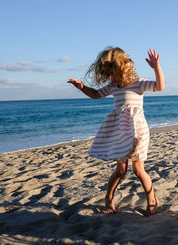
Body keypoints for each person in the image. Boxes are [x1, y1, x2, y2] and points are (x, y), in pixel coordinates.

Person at [67, 47, 165, 216]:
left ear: (122, 69)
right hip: (121, 132)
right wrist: (82, 87)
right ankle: (109, 198)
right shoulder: (113, 86)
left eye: (110, 73)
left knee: (138, 169)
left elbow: (159, 87)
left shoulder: (138, 83)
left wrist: (156, 67)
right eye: (106, 75)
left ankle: (151, 200)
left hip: (138, 132)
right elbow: (96, 94)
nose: (109, 78)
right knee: (120, 170)